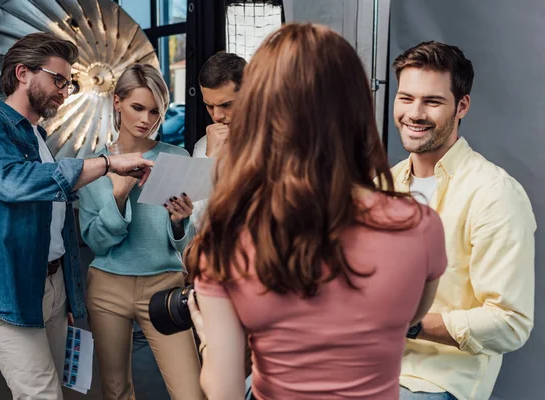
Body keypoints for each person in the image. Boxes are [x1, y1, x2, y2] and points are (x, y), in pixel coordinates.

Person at [185, 23, 448, 400]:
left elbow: (224, 390)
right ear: (357, 106)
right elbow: (408, 317)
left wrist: (211, 342)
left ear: (261, 111)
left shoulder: (227, 237)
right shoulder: (421, 226)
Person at [0, 33, 154, 400]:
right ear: (23, 73)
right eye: (58, 79)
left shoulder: (38, 136)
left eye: (69, 82)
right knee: (41, 395)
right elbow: (11, 183)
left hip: (53, 286)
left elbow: (56, 224)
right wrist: (107, 163)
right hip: (9, 290)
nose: (65, 90)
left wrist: (65, 301)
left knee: (58, 386)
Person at [391, 41, 536, 400]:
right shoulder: (385, 185)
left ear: (462, 107)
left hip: (434, 383)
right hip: (368, 364)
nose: (415, 113)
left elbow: (510, 323)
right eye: (406, 98)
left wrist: (408, 325)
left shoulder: (495, 193)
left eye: (433, 101)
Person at [78, 64, 203, 400]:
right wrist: (119, 195)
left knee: (191, 392)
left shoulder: (176, 157)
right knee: (116, 391)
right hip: (107, 288)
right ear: (117, 102)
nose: (146, 119)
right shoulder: (93, 165)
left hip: (164, 284)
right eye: (137, 107)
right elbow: (97, 243)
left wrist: (180, 221)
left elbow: (183, 243)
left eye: (154, 111)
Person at [191, 52, 247, 229]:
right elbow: (198, 223)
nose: (216, 116)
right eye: (209, 106)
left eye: (226, 105)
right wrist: (210, 160)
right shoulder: (203, 147)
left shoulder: (275, 139)